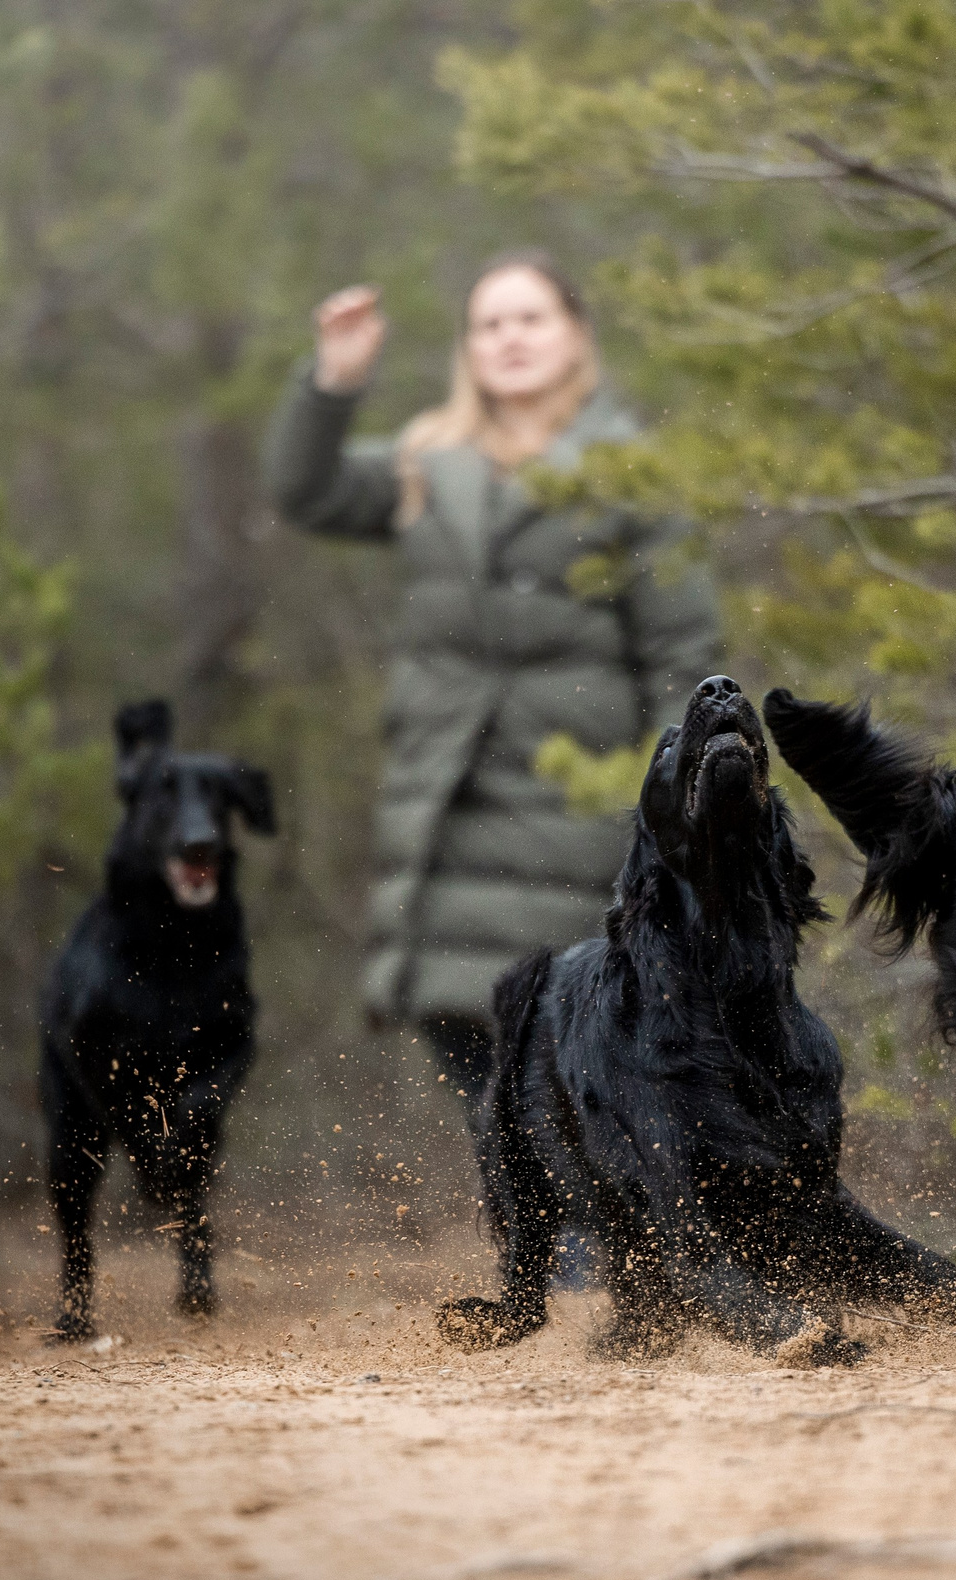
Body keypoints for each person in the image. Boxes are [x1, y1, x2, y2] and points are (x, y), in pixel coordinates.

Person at [266, 252, 720, 1105]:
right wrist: (335, 380)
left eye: (530, 318)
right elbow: (307, 490)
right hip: (447, 832)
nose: (508, 338)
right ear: (466, 347)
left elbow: (683, 660)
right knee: (490, 1093)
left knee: (586, 1082)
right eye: (488, 323)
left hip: (578, 830)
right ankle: (549, 1242)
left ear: (577, 334)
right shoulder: (427, 462)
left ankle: (599, 1240)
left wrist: (665, 823)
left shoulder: (632, 472)